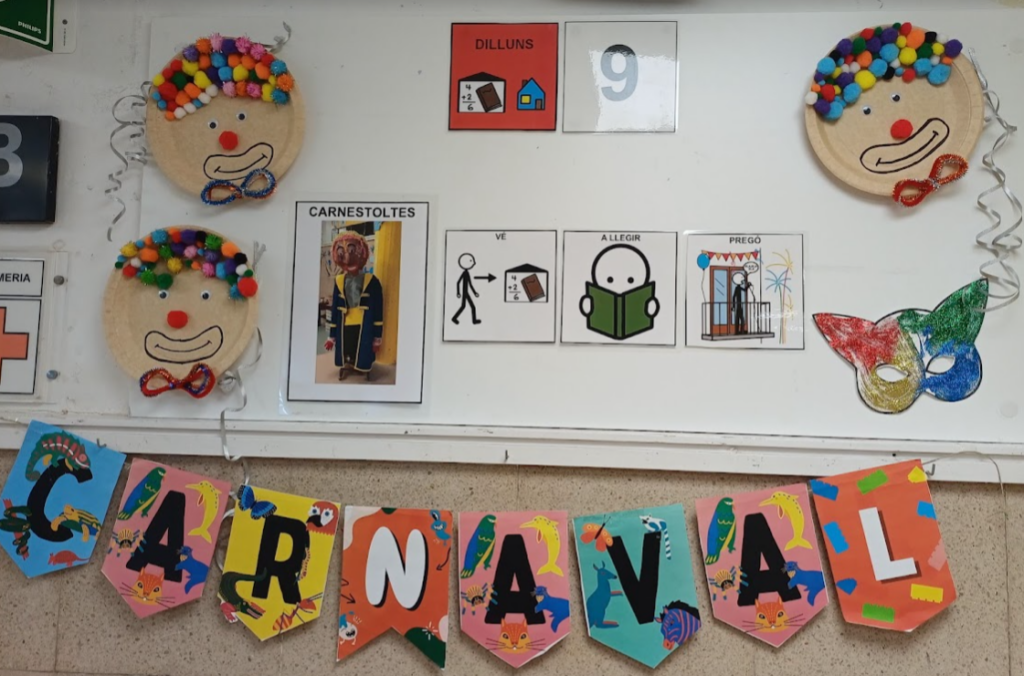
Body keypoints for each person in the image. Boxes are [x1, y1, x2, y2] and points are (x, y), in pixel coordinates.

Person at [323, 231, 384, 380]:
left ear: (362, 252)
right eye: (341, 252)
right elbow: (336, 309)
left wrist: (377, 337)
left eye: (352, 251)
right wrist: (332, 336)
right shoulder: (339, 281)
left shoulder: (373, 282)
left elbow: (378, 310)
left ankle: (361, 366)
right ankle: (348, 364)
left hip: (365, 323)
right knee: (347, 348)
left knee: (363, 348)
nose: (347, 258)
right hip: (345, 323)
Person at [451, 253, 481, 325]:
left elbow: (470, 284)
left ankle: (455, 318)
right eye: (471, 261)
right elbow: (458, 282)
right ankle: (472, 320)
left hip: (466, 292)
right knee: (470, 307)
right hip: (465, 293)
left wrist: (474, 293)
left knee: (464, 306)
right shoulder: (465, 273)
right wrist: (458, 292)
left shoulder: (467, 273)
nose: (473, 263)